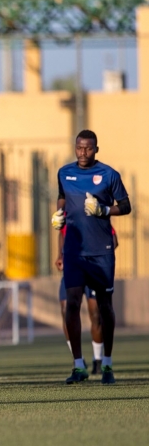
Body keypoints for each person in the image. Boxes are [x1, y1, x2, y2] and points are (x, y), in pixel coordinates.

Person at [52, 130, 130, 385]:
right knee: (72, 304)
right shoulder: (64, 172)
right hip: (74, 251)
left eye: (88, 148)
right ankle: (78, 365)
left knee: (104, 307)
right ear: (75, 147)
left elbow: (126, 205)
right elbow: (62, 197)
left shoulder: (109, 175)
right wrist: (58, 214)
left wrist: (105, 209)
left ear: (96, 149)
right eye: (79, 147)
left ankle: (107, 364)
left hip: (101, 252)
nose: (83, 152)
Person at [55, 226, 117, 375]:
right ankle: (78, 360)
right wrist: (60, 255)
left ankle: (98, 359)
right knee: (66, 309)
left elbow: (113, 239)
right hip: (73, 267)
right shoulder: (68, 213)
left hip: (93, 268)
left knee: (95, 314)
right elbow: (62, 233)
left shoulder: (94, 211)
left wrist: (101, 256)